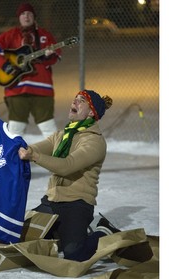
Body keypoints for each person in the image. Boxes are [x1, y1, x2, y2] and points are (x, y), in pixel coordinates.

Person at [18, 89, 119, 262]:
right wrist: (9, 141)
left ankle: (103, 232)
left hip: (76, 205)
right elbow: (32, 148)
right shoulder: (62, 135)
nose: (74, 102)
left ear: (91, 112)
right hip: (51, 202)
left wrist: (34, 157)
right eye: (75, 99)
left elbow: (66, 166)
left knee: (74, 254)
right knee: (21, 236)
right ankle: (62, 232)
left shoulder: (94, 141)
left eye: (81, 101)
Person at [0, 2, 61, 138]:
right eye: (23, 14)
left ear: (34, 16)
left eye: (29, 13)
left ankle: (57, 159)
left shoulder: (45, 35)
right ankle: (15, 159)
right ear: (19, 17)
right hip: (16, 87)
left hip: (42, 87)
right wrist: (4, 65)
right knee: (15, 129)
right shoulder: (11, 35)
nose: (26, 16)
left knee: (49, 128)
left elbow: (56, 56)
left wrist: (48, 56)